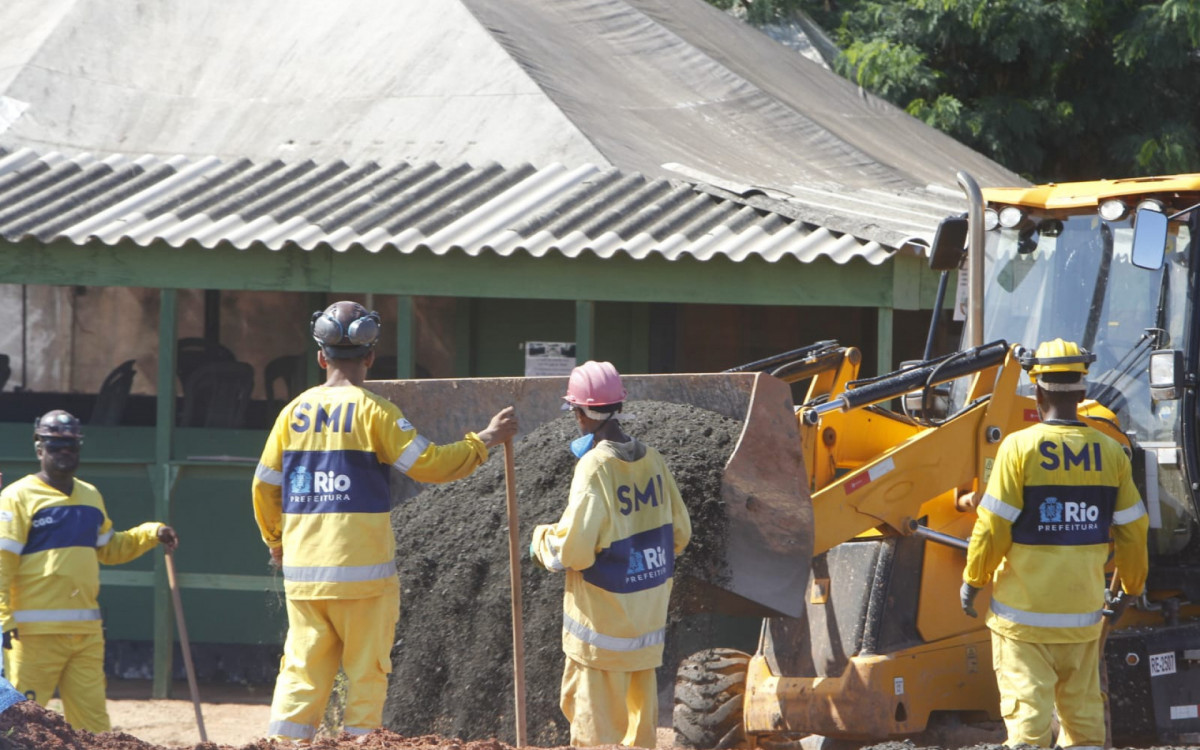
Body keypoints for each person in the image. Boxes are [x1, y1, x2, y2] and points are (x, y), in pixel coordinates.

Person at [253, 300, 518, 743]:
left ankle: (284, 744)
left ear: (321, 358)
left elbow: (264, 487)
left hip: (304, 575)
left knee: (301, 671)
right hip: (363, 577)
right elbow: (430, 465)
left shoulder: (292, 413)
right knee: (366, 674)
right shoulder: (376, 412)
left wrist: (276, 541)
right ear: (371, 357)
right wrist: (485, 440)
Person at [961, 339, 1149, 749]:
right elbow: (1134, 531)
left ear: (1037, 392)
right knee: (1083, 725)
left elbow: (993, 526)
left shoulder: (1018, 448)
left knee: (1028, 725)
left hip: (1023, 622)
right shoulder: (1111, 453)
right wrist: (1130, 589)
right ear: (1082, 394)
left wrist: (973, 579)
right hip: (1082, 619)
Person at [530, 360, 692, 748]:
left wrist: (541, 542)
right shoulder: (653, 460)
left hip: (601, 636)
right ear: (618, 406)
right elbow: (680, 534)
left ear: (580, 412)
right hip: (645, 630)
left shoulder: (594, 466)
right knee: (640, 737)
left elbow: (575, 551)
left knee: (595, 737)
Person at [0, 410, 180, 732]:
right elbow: (2, 562)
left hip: (85, 635)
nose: (64, 452)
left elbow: (110, 549)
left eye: (71, 445)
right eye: (55, 445)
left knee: (94, 728)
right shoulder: (17, 497)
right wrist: (2, 618)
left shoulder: (90, 495)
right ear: (39, 447)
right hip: (31, 635)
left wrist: (151, 533)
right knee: (24, 726)